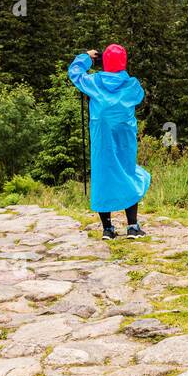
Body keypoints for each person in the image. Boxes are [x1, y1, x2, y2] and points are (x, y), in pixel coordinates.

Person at [68, 43, 151, 239]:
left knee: (102, 174)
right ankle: (132, 226)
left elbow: (75, 72)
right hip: (124, 136)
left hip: (101, 136)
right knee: (127, 171)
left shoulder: (94, 82)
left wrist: (87, 57)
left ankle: (107, 229)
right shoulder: (131, 85)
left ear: (103, 61)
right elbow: (139, 97)